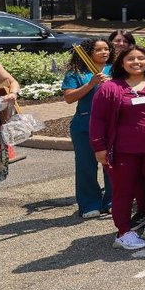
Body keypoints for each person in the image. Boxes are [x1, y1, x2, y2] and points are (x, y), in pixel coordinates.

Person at [89, 45, 145, 250]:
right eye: (131, 59)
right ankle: (123, 233)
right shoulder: (111, 88)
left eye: (141, 58)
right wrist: (99, 148)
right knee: (123, 192)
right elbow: (98, 119)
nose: (137, 62)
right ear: (121, 63)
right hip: (123, 151)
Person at [62, 40, 113, 219]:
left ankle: (112, 201)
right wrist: (91, 84)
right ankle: (89, 203)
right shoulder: (76, 72)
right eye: (98, 49)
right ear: (87, 52)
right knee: (86, 165)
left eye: (106, 49)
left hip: (111, 124)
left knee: (112, 163)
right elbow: (69, 98)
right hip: (84, 125)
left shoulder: (115, 70)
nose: (104, 52)